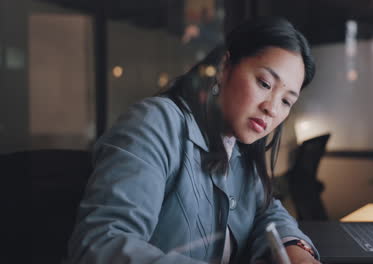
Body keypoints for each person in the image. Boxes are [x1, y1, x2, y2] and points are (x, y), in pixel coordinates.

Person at [66, 16, 320, 264]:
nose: (272, 109)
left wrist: (296, 248)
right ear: (224, 67)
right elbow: (102, 244)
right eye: (264, 83)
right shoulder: (156, 123)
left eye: (287, 100)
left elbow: (266, 210)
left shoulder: (238, 148)